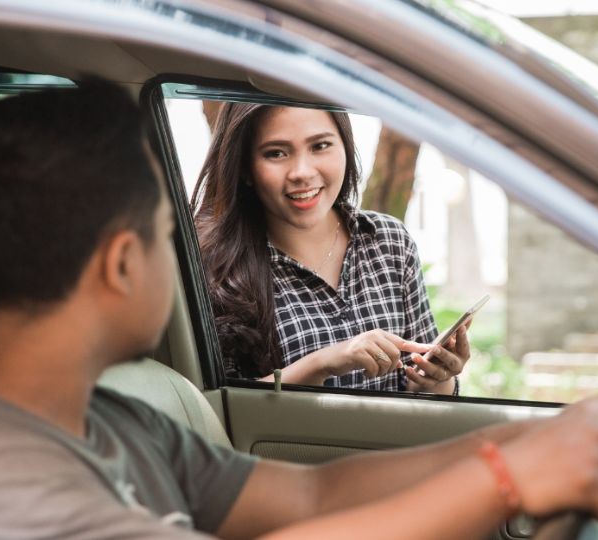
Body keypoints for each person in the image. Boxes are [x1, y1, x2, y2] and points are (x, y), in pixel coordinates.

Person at [0, 80, 598, 540]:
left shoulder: (106, 419)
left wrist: (519, 439)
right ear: (122, 263)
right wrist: (506, 480)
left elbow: (309, 497)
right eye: (168, 238)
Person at [193, 103, 466, 395]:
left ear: (345, 148)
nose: (302, 172)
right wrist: (323, 363)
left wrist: (438, 378)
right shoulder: (215, 266)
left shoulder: (390, 241)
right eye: (276, 153)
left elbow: (420, 388)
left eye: (320, 146)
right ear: (245, 167)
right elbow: (218, 409)